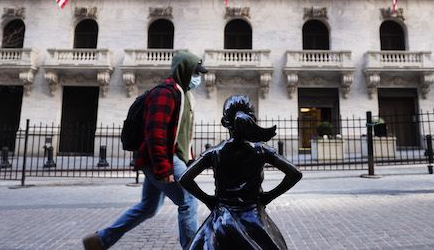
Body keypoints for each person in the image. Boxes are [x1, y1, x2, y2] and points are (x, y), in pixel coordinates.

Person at [83, 50, 207, 249]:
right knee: (188, 200)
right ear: (184, 70)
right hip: (161, 159)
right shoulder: (165, 93)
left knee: (148, 208)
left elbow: (183, 135)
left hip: (167, 158)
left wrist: (188, 160)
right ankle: (191, 247)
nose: (198, 78)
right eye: (195, 73)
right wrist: (164, 169)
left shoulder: (185, 96)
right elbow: (155, 134)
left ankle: (100, 240)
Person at [179, 95, 302, 250]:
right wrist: (268, 197)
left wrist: (208, 200)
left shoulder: (215, 152)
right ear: (253, 119)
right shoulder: (261, 150)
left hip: (221, 218)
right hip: (253, 216)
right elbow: (295, 174)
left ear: (225, 123)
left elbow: (185, 178)